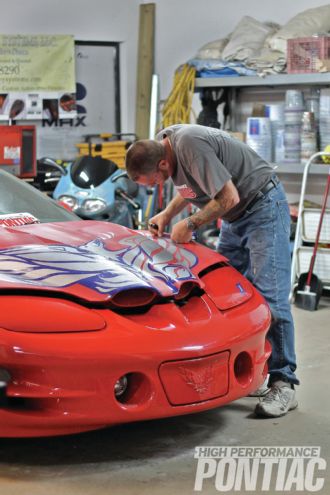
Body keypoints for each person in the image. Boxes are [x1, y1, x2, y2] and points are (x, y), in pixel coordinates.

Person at [125, 123, 299, 418]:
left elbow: (228, 196)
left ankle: (284, 383)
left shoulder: (190, 145)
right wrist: (168, 214)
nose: (155, 186)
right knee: (228, 296)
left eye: (154, 180)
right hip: (235, 217)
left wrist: (191, 224)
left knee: (272, 299)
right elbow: (196, 184)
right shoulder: (165, 146)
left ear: (163, 163)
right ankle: (257, 371)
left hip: (262, 206)